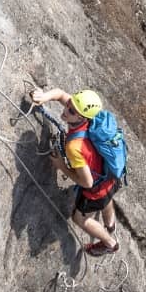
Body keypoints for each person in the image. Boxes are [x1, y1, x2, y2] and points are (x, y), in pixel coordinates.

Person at [29, 86, 120, 256]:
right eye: (69, 105)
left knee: (80, 219)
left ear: (80, 116)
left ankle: (110, 243)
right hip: (110, 175)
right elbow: (61, 94)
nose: (65, 110)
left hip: (96, 190)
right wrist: (44, 97)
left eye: (70, 110)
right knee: (107, 199)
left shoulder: (74, 146)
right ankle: (110, 223)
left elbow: (87, 182)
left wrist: (61, 166)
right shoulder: (91, 118)